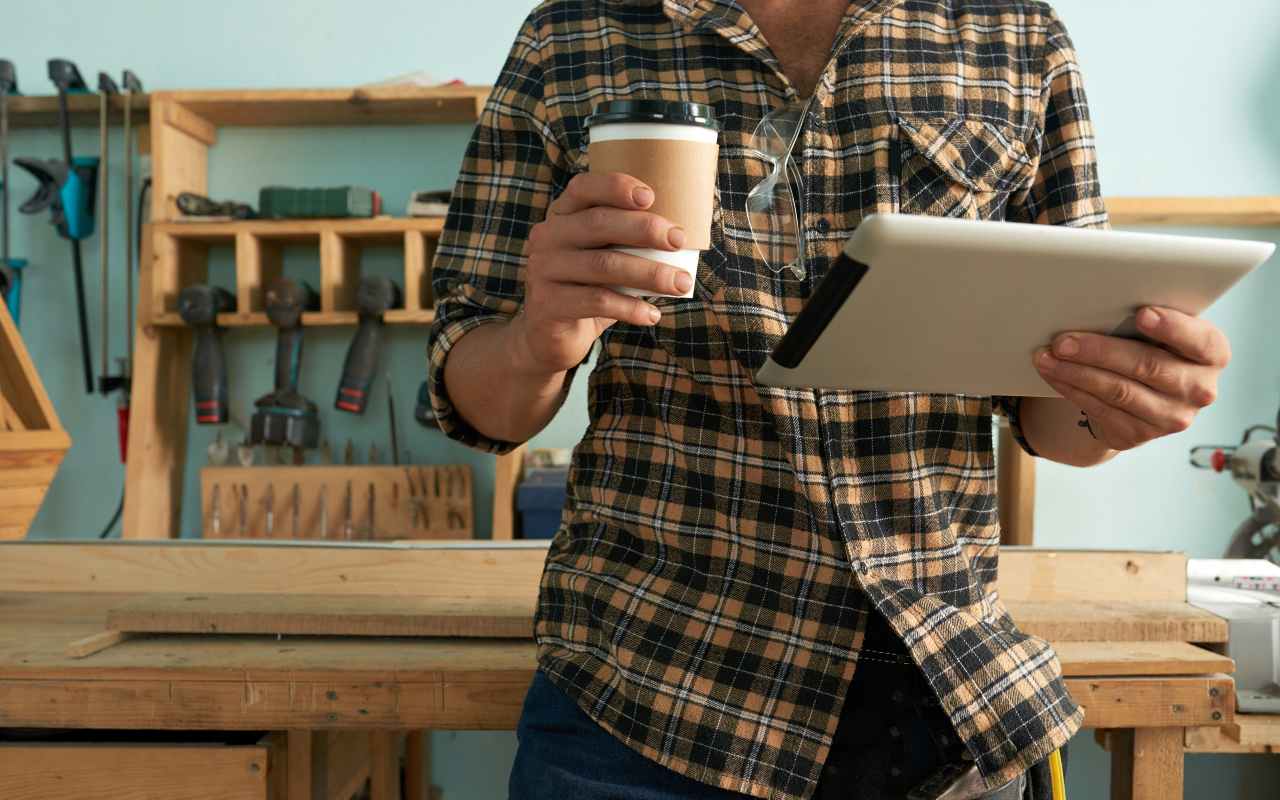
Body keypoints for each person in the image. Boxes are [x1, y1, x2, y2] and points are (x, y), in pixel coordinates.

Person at [426, 2, 1232, 798]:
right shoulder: (571, 33)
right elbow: (480, 399)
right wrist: (537, 338)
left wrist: (1120, 404)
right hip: (650, 694)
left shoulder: (1016, 31)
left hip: (948, 697)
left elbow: (1059, 416)